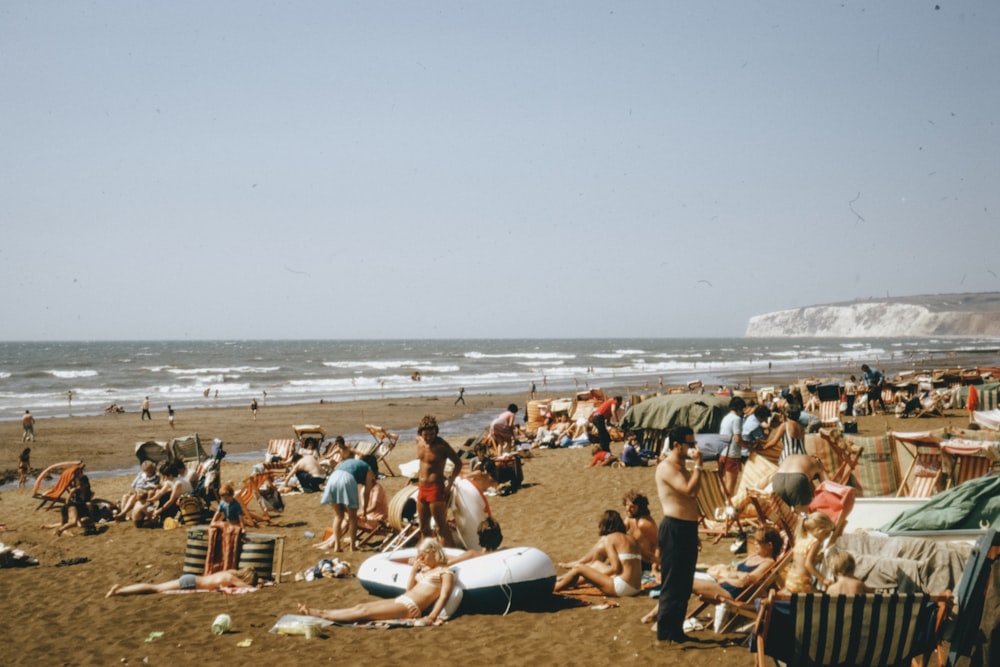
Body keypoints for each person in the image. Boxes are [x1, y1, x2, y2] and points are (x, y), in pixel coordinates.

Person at [298, 538, 455, 625]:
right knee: (361, 606)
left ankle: (320, 615)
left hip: (411, 608)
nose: (421, 559)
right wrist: (414, 570)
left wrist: (432, 616)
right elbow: (409, 590)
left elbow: (444, 596)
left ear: (434, 552)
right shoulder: (425, 570)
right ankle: (324, 613)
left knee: (365, 613)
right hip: (402, 600)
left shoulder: (445, 572)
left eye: (423, 556)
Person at [654, 426, 703, 644]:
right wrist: (699, 465)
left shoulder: (682, 467)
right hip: (674, 527)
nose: (693, 448)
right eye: (689, 444)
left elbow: (693, 496)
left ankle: (676, 630)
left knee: (684, 583)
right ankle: (665, 633)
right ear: (677, 445)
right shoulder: (668, 467)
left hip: (687, 527)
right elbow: (689, 490)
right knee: (673, 582)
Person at [553, 510, 644, 597]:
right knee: (595, 565)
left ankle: (555, 587)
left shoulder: (610, 538)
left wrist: (597, 577)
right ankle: (567, 582)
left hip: (622, 588)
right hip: (636, 588)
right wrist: (594, 575)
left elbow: (615, 568)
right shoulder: (632, 538)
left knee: (578, 568)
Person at [415, 415, 463, 547]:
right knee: (424, 528)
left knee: (441, 527)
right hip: (421, 488)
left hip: (436, 489)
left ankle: (448, 555)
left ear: (436, 432)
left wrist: (450, 482)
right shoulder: (418, 441)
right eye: (426, 434)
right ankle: (427, 555)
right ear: (420, 433)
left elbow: (458, 463)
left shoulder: (442, 445)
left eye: (432, 434)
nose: (429, 437)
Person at [316, 454, 377, 552]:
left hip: (333, 478)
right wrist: (364, 510)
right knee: (353, 517)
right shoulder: (368, 468)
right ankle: (352, 547)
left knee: (338, 516)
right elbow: (367, 493)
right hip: (347, 479)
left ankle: (337, 546)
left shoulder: (350, 461)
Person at [106, 568, 258, 597]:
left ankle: (122, 589)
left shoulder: (230, 572)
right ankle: (121, 590)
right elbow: (247, 587)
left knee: (157, 588)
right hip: (190, 582)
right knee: (156, 589)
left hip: (192, 579)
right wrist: (258, 585)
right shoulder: (231, 579)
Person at [783, 511, 835, 593]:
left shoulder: (802, 538)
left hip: (790, 579)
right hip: (801, 582)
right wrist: (823, 579)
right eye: (826, 534)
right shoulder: (815, 542)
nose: (825, 538)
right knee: (822, 598)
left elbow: (802, 560)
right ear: (819, 531)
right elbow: (808, 564)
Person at [623, 490, 658, 570]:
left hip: (648, 562)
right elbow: (618, 533)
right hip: (637, 559)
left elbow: (658, 545)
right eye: (627, 505)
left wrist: (654, 567)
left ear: (640, 507)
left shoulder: (644, 523)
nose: (628, 509)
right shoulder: (629, 518)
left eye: (632, 506)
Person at [718, 397, 745, 497]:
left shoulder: (726, 418)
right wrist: (748, 446)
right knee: (731, 483)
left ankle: (724, 503)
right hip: (732, 454)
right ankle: (728, 506)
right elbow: (737, 439)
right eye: (742, 410)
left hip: (723, 452)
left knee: (724, 482)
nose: (742, 413)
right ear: (739, 409)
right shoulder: (737, 419)